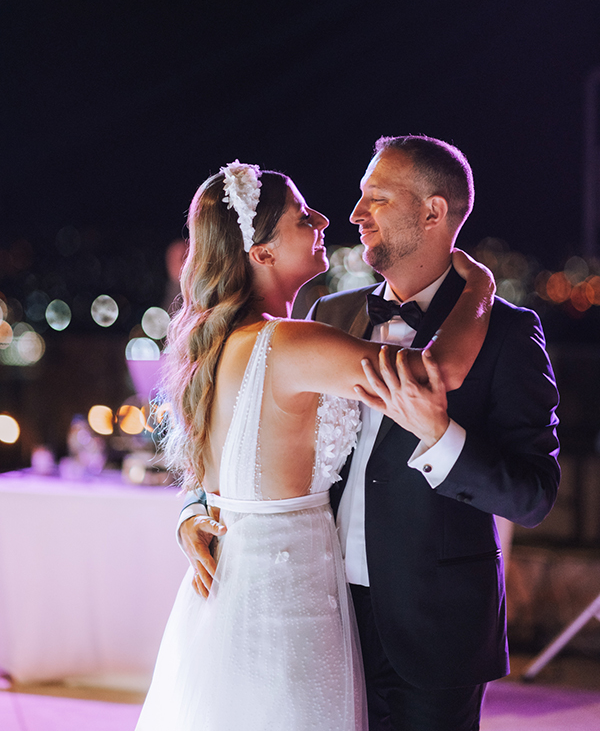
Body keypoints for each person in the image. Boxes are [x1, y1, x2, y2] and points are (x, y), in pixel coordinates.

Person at [181, 138, 561, 731]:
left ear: (434, 212)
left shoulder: (508, 334)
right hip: (320, 611)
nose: (354, 213)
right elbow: (251, 428)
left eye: (376, 198)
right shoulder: (327, 316)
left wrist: (442, 439)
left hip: (435, 630)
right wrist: (198, 504)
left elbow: (533, 495)